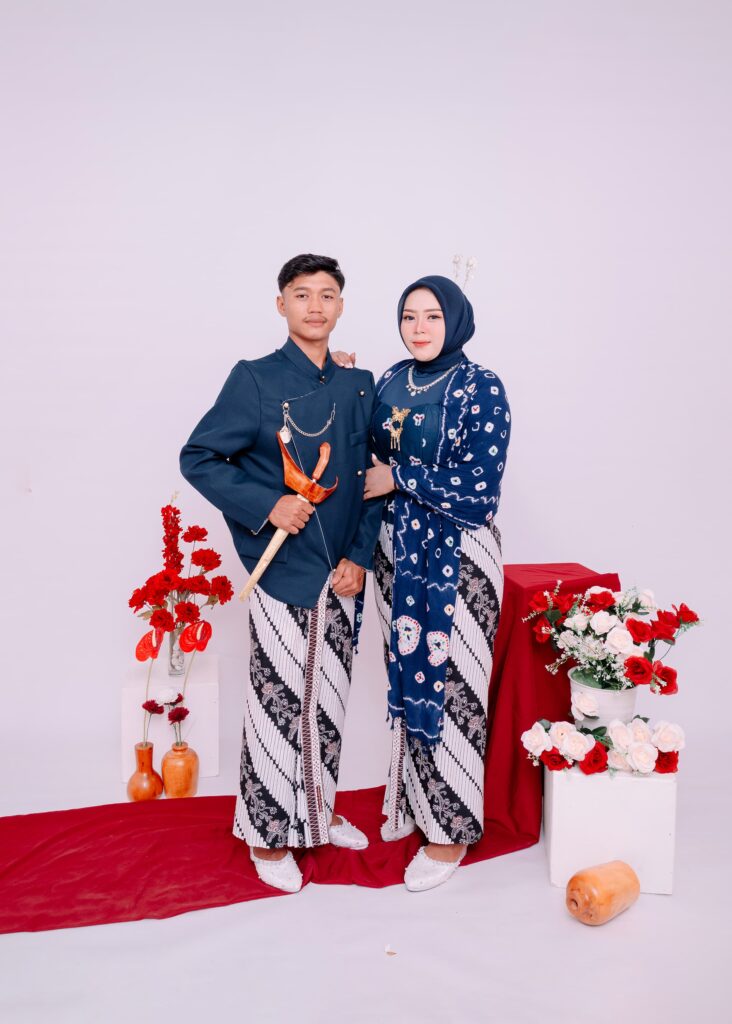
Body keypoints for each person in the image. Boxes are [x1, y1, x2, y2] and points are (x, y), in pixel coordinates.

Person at [180, 254, 383, 893]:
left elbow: (370, 480)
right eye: (302, 294)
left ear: (341, 306)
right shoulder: (255, 378)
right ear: (281, 305)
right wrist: (268, 504)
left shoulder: (359, 383)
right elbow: (199, 456)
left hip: (342, 573)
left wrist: (360, 557)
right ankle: (268, 837)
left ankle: (317, 815)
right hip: (282, 569)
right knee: (277, 704)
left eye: (327, 295)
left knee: (329, 700)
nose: (315, 306)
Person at [333, 274, 510, 891]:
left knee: (453, 687)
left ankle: (451, 830)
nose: (419, 327)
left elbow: (481, 489)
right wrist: (341, 379)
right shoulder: (389, 380)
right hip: (397, 553)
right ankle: (415, 800)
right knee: (407, 678)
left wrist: (400, 478)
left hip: (458, 557)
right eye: (409, 316)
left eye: (433, 316)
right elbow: (361, 453)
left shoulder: (482, 386)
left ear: (455, 320)